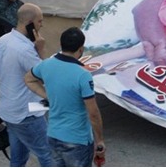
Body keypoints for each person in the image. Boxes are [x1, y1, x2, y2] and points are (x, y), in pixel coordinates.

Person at [24, 27, 105, 167]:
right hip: (77, 140)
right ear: (81, 49)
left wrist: (48, 95)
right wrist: (100, 141)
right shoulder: (83, 75)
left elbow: (28, 79)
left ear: (61, 45)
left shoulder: (46, 65)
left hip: (53, 135)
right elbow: (93, 113)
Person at [0, 4, 54, 167]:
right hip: (26, 114)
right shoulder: (25, 50)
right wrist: (41, 50)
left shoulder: (3, 40)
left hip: (9, 110)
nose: (41, 25)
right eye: (40, 21)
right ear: (29, 22)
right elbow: (46, 77)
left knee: (18, 158)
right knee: (49, 154)